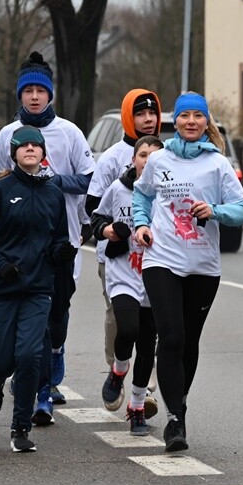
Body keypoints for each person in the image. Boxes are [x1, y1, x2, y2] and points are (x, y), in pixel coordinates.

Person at [132, 92, 243, 452]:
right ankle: (174, 419)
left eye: (198, 117)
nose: (191, 122)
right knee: (170, 336)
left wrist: (213, 211)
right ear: (176, 121)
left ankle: (178, 406)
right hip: (161, 258)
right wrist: (140, 224)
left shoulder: (218, 165)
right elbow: (142, 196)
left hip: (203, 264)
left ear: (206, 123)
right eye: (185, 116)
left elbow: (242, 209)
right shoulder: (159, 160)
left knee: (189, 341)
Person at [0, 52, 95, 421]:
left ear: (51, 95)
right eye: (28, 91)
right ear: (19, 95)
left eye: (40, 90)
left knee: (57, 316)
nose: (34, 97)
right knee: (31, 316)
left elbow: (87, 179)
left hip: (61, 239)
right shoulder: (7, 134)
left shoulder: (69, 132)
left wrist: (52, 181)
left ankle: (54, 355)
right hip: (18, 241)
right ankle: (41, 389)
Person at [0, 125, 77, 453]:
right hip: (0, 289)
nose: (30, 149)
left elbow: (60, 237)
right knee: (3, 360)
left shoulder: (53, 194)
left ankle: (20, 427)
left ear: (44, 153)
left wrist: (62, 252)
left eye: (36, 145)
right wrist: (0, 265)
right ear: (14, 153)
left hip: (37, 289)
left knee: (31, 355)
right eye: (23, 145)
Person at [85, 88, 161, 415]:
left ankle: (144, 393)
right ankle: (115, 370)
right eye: (141, 113)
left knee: (149, 330)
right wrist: (111, 231)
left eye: (152, 113)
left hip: (155, 263)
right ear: (129, 117)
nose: (148, 119)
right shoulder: (113, 157)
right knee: (121, 319)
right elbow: (93, 206)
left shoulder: (166, 156)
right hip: (116, 258)